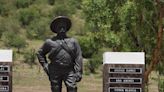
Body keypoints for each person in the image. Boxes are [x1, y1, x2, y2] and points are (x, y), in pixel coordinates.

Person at [36, 16, 83, 92]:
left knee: (72, 88)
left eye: (64, 26)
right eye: (59, 27)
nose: (62, 29)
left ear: (66, 28)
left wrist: (79, 72)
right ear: (55, 28)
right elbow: (40, 53)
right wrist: (45, 65)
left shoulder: (73, 42)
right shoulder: (49, 42)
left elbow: (78, 57)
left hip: (69, 70)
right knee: (55, 88)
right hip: (55, 69)